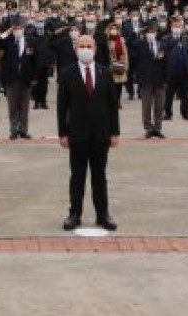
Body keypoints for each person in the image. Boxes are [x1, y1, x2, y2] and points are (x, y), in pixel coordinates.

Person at [57, 34, 120, 232]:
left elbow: (112, 105)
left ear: (95, 49)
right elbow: (62, 106)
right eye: (81, 46)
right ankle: (74, 214)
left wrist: (115, 132)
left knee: (99, 175)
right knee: (77, 176)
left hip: (101, 134)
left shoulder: (105, 72)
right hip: (77, 134)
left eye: (88, 46)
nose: (85, 49)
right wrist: (62, 133)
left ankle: (103, 214)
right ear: (75, 49)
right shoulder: (67, 73)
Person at [0, 16, 37, 140]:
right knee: (13, 106)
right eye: (15, 29)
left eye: (20, 28)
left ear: (24, 29)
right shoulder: (8, 41)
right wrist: (7, 32)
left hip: (26, 79)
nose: (17, 31)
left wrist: (34, 77)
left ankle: (23, 130)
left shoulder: (31, 41)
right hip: (11, 78)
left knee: (24, 107)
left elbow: (35, 60)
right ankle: (14, 130)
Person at [132, 21, 168, 138]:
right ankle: (148, 127)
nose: (151, 34)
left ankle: (157, 128)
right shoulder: (140, 44)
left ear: (156, 33)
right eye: (149, 32)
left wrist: (165, 78)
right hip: (145, 79)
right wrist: (139, 34)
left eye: (153, 32)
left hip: (159, 80)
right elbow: (131, 47)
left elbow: (166, 62)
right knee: (146, 106)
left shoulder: (161, 44)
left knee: (159, 106)